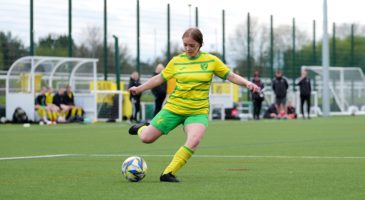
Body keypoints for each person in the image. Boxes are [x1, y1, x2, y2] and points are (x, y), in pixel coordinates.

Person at [128, 28, 260, 182]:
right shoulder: (177, 61)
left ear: (200, 44)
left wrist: (247, 83)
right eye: (185, 45)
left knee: (194, 140)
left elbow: (230, 75)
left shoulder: (211, 61)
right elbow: (159, 78)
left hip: (197, 111)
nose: (188, 48)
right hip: (174, 108)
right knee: (146, 138)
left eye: (192, 45)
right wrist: (139, 88)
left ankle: (168, 173)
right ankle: (141, 128)